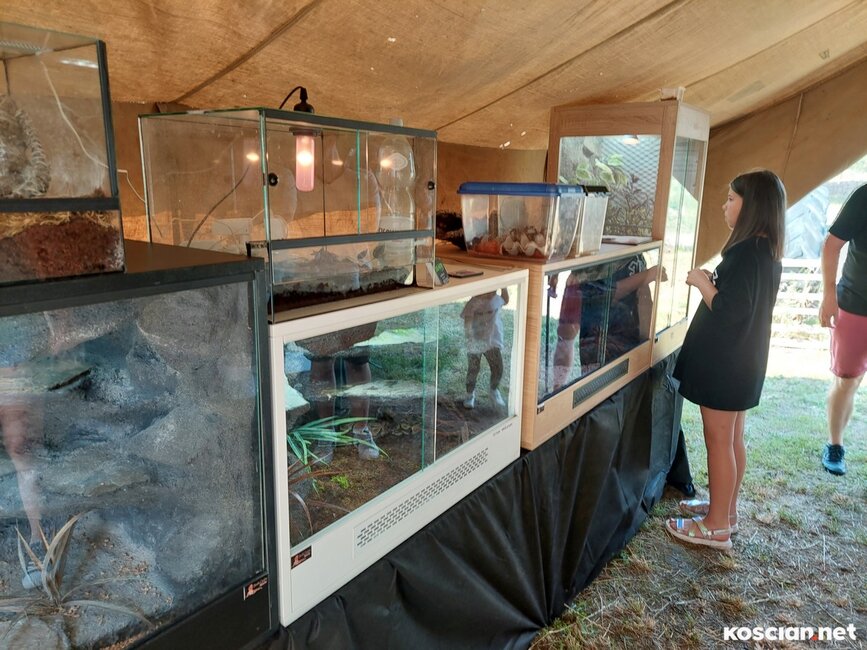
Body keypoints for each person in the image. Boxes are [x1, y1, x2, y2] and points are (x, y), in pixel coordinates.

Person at [666, 169, 785, 551]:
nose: (724, 206)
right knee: (732, 439)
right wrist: (714, 282)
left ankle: (716, 527)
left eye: (731, 199)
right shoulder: (764, 251)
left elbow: (731, 310)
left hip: (726, 365)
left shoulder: (747, 253)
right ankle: (726, 511)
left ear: (753, 207)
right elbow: (744, 304)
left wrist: (703, 284)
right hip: (743, 362)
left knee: (718, 440)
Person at [818, 183, 867, 476]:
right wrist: (828, 296)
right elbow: (832, 244)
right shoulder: (864, 196)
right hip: (856, 305)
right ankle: (835, 445)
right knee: (847, 380)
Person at [460, 288, 509, 409]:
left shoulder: (495, 299)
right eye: (489, 291)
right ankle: (470, 393)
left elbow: (505, 300)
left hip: (492, 340)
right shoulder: (473, 303)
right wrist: (470, 337)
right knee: (473, 369)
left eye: (494, 290)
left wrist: (504, 287)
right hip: (475, 341)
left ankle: (494, 390)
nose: (491, 293)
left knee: (497, 367)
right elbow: (467, 321)